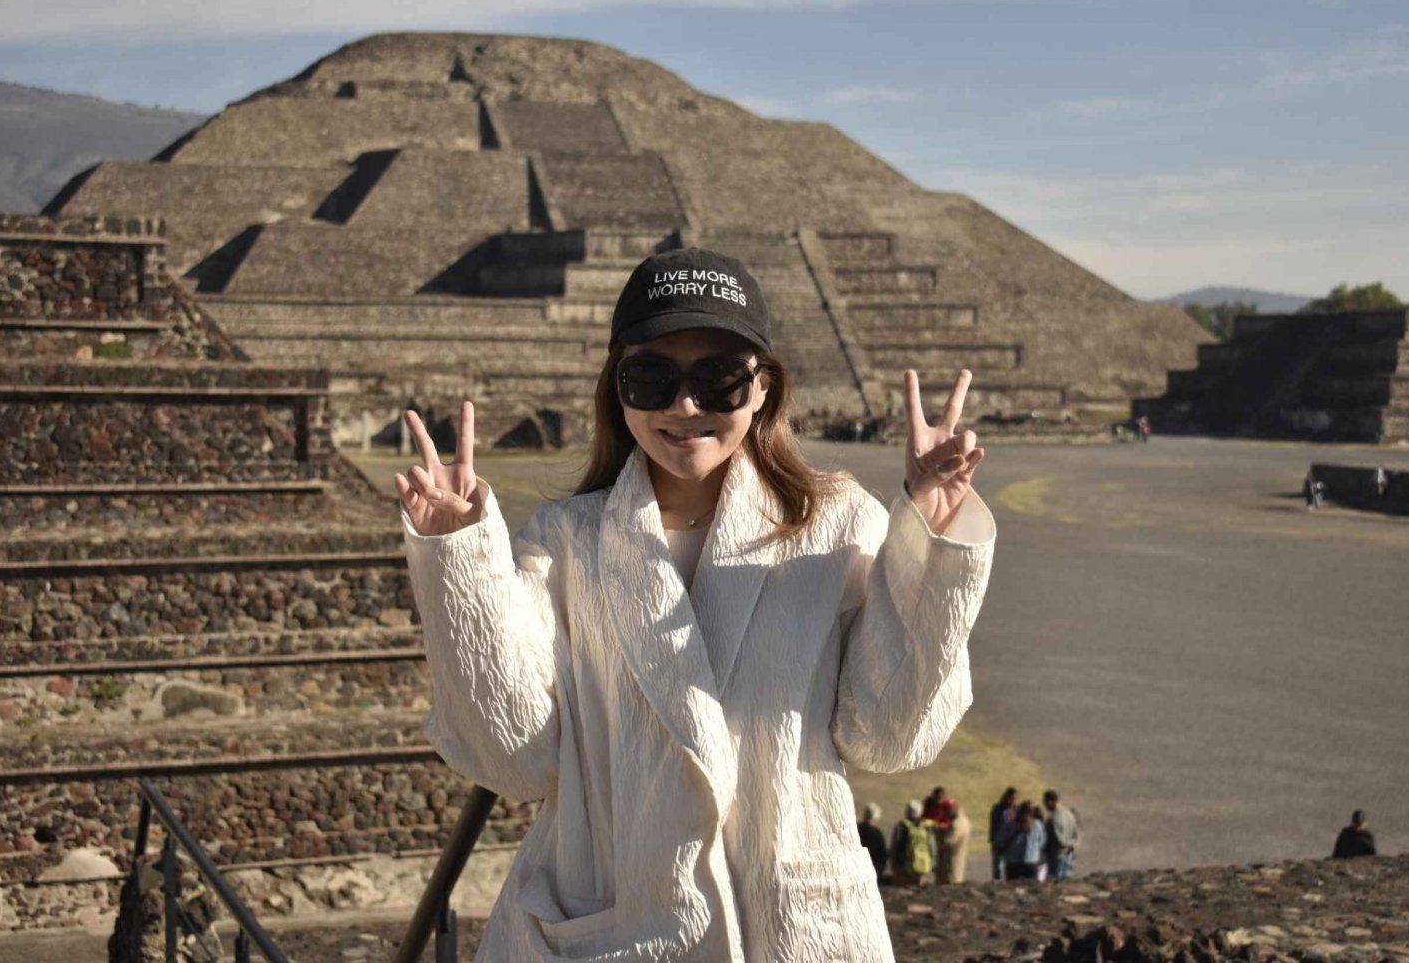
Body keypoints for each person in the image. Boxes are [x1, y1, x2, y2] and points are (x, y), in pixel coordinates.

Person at [395, 247, 996, 961]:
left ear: (763, 388)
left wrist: (931, 534)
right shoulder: (566, 544)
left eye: (717, 380)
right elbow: (514, 754)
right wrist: (457, 558)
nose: (684, 406)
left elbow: (892, 734)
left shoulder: (839, 526)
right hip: (617, 927)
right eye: (652, 377)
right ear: (617, 388)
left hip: (792, 930)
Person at [890, 800, 935, 889]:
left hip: (904, 866)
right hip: (923, 866)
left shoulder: (901, 826)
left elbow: (895, 846)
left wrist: (894, 864)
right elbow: (932, 847)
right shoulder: (926, 826)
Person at [1000, 801, 1046, 881]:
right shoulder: (1038, 825)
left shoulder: (1010, 825)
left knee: (1012, 888)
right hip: (1031, 861)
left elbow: (1001, 841)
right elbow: (1042, 842)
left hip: (1012, 862)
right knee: (1032, 888)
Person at [1043, 790, 1081, 880]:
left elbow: (1060, 841)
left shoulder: (1053, 818)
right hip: (1070, 856)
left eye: (1045, 802)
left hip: (1057, 857)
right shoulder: (1070, 814)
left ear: (1051, 801)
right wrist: (1072, 845)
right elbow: (1077, 836)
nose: (1045, 806)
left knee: (1055, 886)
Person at [935, 798, 971, 885]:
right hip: (953, 864)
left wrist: (938, 832)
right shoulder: (963, 820)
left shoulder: (957, 824)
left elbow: (949, 842)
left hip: (951, 867)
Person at [989, 787, 1018, 880]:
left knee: (1009, 864)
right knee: (997, 865)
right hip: (999, 841)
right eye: (1012, 798)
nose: (1013, 800)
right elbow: (993, 825)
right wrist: (993, 839)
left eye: (1015, 798)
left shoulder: (1016, 809)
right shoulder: (998, 809)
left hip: (1011, 842)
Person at [858, 803, 888, 882]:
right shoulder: (877, 833)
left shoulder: (855, 829)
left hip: (856, 868)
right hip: (872, 870)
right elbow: (883, 856)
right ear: (875, 818)